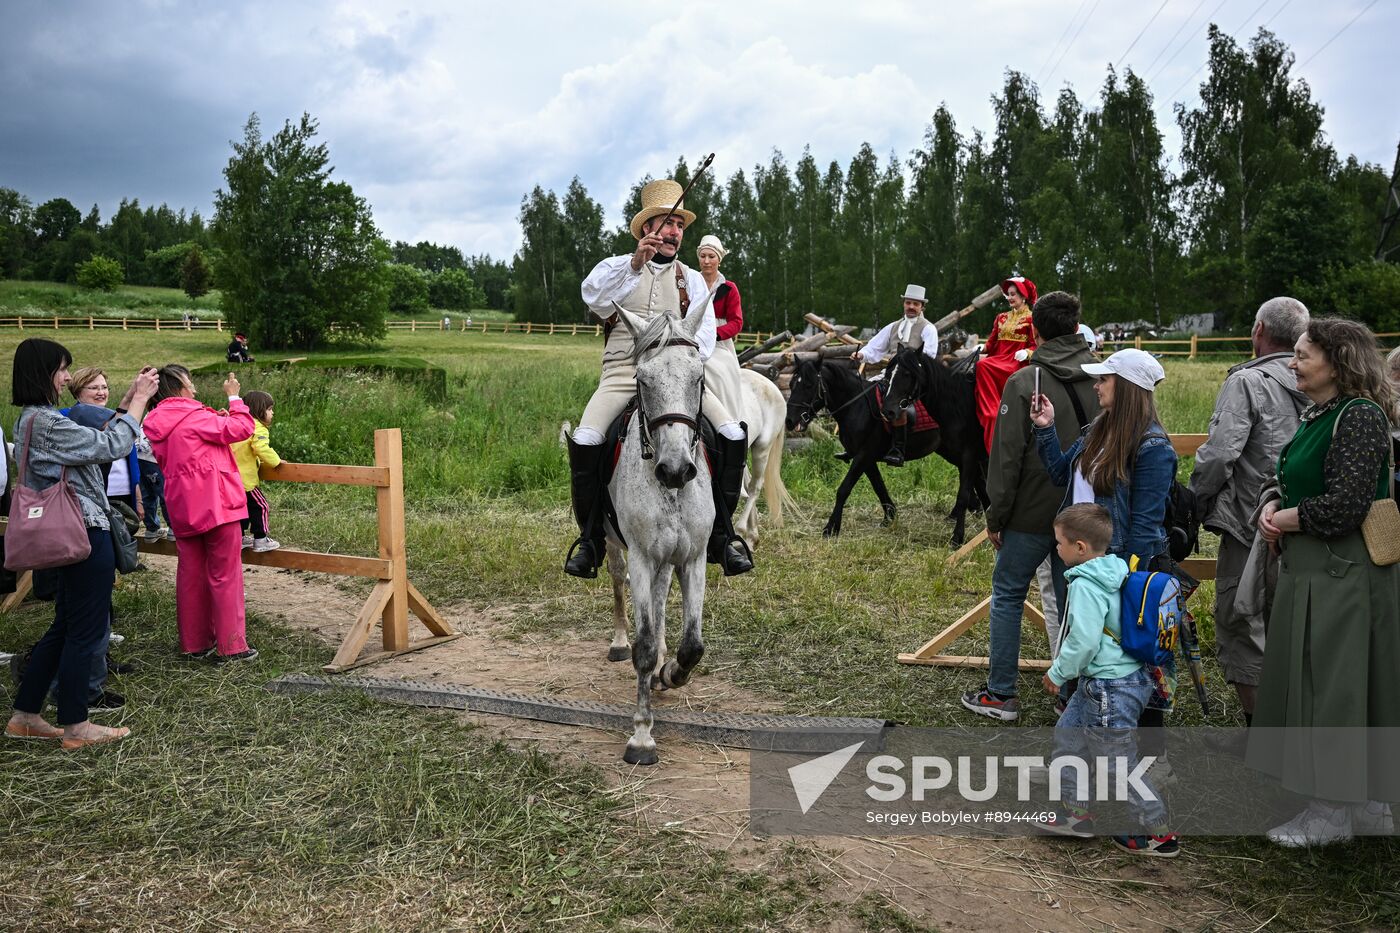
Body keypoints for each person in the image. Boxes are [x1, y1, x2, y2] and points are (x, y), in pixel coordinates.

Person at [1249, 317, 1400, 847]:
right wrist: (1271, 504)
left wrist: (1285, 519)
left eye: (1303, 355)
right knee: (1339, 686)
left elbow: (1346, 505)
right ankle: (1365, 805)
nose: (1293, 362)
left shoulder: (1359, 417)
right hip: (1322, 574)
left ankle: (1334, 812)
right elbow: (1288, 474)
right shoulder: (1326, 413)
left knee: (1337, 691)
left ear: (1336, 363)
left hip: (1343, 578)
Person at [566, 177, 751, 578]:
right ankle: (591, 540)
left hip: (675, 383)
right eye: (667, 223)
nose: (674, 232)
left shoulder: (691, 280)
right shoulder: (617, 267)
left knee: (733, 434)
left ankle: (721, 534)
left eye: (680, 226)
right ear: (647, 228)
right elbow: (592, 297)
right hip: (621, 376)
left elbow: (702, 339)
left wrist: (675, 363)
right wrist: (635, 264)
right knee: (586, 438)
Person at [1029, 348, 1179, 773]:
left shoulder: (1152, 447)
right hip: (1085, 561)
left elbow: (1146, 525)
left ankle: (1150, 760)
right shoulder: (1098, 428)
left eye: (1104, 380)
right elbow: (1061, 474)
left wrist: (1119, 581)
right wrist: (1045, 430)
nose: (1096, 386)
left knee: (1136, 661)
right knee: (1093, 658)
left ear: (1128, 388)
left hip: (1116, 572)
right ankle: (1081, 757)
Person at [4, 338, 157, 749]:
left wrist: (125, 402)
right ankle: (76, 725)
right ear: (44, 373)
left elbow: (99, 435)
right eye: (62, 368)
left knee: (65, 626)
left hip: (67, 533)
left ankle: (26, 715)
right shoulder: (50, 423)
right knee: (87, 632)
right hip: (84, 530)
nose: (68, 376)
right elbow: (112, 445)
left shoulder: (33, 420)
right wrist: (141, 402)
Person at [962, 291, 1100, 721]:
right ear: (1077, 329)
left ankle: (1001, 694)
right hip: (1084, 514)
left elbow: (1006, 459)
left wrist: (995, 515)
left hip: (1028, 514)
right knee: (1075, 602)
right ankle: (1069, 696)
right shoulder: (1104, 377)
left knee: (1007, 595)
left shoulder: (1025, 382)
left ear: (1035, 331)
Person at [1032, 504, 1179, 856]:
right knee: (1068, 737)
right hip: (1118, 681)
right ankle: (1077, 814)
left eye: (1060, 543)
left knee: (1117, 765)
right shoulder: (1115, 569)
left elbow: (1083, 641)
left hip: (1109, 688)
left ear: (1080, 548)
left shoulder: (1085, 585)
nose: (1056, 548)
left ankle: (1157, 832)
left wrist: (1057, 672)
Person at [1188, 297, 1309, 725]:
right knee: (1293, 625)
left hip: (1251, 523)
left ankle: (1260, 738)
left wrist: (1195, 505)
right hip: (1308, 526)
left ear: (1258, 330)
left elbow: (1219, 456)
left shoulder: (1248, 382)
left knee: (1244, 622)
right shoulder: (1320, 382)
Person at [142, 366, 259, 662]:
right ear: (178, 387)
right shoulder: (196, 417)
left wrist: (217, 418)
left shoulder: (154, 422)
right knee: (225, 575)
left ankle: (194, 643)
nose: (194, 389)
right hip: (217, 505)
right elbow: (242, 429)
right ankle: (232, 645)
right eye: (190, 383)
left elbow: (191, 444)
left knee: (191, 575)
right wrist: (235, 399)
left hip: (182, 506)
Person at [853, 284, 939, 466]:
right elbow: (875, 347)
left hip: (914, 379)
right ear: (904, 304)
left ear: (922, 307)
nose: (911, 307)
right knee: (865, 395)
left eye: (916, 304)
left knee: (898, 401)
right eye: (908, 303)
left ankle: (898, 449)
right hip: (891, 375)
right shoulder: (893, 327)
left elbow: (929, 356)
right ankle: (860, 444)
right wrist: (861, 355)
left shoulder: (928, 328)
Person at [63, 367, 143, 524]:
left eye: (104, 387)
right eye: (94, 388)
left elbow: (132, 461)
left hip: (123, 492)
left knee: (123, 542)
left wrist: (138, 498)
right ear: (77, 392)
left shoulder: (119, 417)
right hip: (87, 496)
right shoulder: (66, 419)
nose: (101, 392)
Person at [974, 276, 1038, 453]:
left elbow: (1036, 345)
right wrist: (982, 347)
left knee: (983, 366)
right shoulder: (1001, 317)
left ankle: (992, 409)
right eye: (1008, 294)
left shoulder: (1032, 319)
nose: (1010, 298)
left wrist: (1028, 352)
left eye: (1013, 294)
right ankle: (990, 410)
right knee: (979, 364)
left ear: (1023, 296)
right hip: (999, 358)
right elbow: (992, 343)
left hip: (1017, 361)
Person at [696, 234, 747, 434]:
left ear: (719, 259)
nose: (706, 261)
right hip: (693, 338)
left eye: (711, 256)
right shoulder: (691, 282)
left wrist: (714, 334)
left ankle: (730, 420)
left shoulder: (728, 288)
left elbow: (737, 322)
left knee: (722, 374)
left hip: (719, 343)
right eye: (703, 256)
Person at [231, 390, 282, 552]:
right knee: (261, 506)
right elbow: (260, 447)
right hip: (246, 481)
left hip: (231, 478)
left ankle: (239, 538)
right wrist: (277, 462)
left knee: (240, 509)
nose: (272, 412)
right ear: (260, 410)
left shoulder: (237, 424)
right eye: (269, 409)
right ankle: (260, 539)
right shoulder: (257, 427)